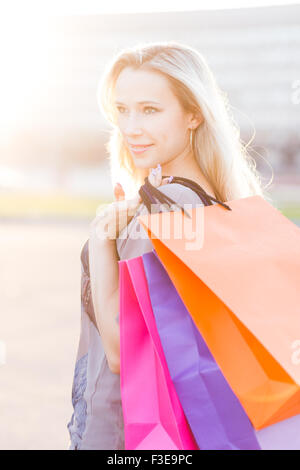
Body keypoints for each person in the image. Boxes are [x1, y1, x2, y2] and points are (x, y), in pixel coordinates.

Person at [67, 41, 267, 450]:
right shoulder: (220, 204)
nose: (131, 127)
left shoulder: (169, 209)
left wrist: (103, 238)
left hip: (127, 435)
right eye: (122, 110)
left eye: (150, 110)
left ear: (194, 114)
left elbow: (123, 350)